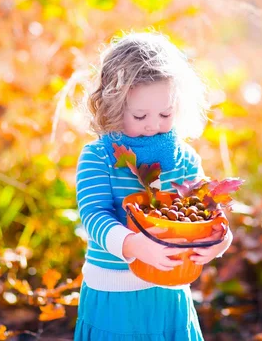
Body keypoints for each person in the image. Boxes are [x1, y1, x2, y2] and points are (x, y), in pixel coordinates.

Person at [74, 31, 233, 340]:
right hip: (114, 293)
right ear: (113, 106)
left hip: (170, 291)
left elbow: (204, 210)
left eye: (165, 114)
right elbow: (94, 215)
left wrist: (218, 238)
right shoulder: (99, 157)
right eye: (140, 115)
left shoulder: (183, 157)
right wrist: (134, 246)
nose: (152, 124)